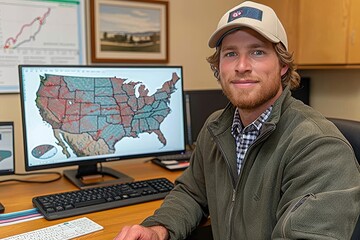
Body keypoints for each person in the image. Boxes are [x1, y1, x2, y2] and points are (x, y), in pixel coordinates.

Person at [114, 1, 360, 239]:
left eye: (257, 52)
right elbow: (192, 194)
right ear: (218, 67)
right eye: (231, 53)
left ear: (283, 65)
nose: (242, 66)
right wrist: (158, 229)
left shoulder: (319, 148)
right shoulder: (215, 129)